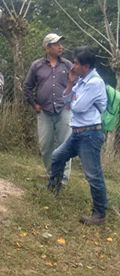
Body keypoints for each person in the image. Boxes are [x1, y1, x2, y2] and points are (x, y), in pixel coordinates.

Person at [48, 47, 107, 225]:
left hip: (90, 134)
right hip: (77, 133)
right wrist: (70, 84)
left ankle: (99, 213)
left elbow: (77, 107)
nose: (73, 66)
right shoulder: (81, 81)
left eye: (76, 63)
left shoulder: (95, 82)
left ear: (86, 65)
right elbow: (66, 101)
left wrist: (73, 101)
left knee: (93, 174)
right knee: (57, 156)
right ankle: (53, 189)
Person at [24, 33, 73, 183]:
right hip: (44, 111)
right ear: (48, 47)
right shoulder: (37, 65)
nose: (60, 47)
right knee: (45, 146)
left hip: (64, 109)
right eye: (57, 44)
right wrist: (34, 105)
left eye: (60, 44)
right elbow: (27, 86)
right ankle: (53, 175)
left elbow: (78, 84)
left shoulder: (68, 65)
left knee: (65, 144)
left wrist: (72, 102)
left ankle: (63, 179)